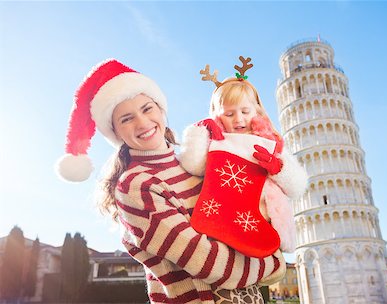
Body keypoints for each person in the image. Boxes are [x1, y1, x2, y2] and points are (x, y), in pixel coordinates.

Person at [56, 59, 286, 304]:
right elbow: (206, 260)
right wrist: (272, 263)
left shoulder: (195, 164)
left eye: (147, 109)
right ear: (115, 132)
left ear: (160, 108)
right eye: (126, 119)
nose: (143, 123)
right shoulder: (136, 186)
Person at [179, 56, 307, 257]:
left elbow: (298, 187)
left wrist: (278, 168)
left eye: (245, 111)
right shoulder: (217, 141)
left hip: (266, 226)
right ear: (217, 115)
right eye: (229, 114)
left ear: (256, 110)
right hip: (225, 222)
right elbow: (193, 166)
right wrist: (200, 133)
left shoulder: (270, 143)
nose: (239, 119)